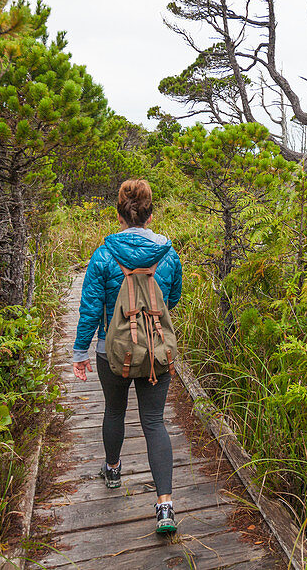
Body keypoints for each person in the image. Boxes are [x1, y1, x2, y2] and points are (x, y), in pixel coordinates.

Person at [71, 179, 183, 534]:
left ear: (119, 213)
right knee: (154, 422)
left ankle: (113, 469)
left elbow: (90, 306)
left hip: (111, 350)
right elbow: (172, 298)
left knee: (114, 410)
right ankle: (165, 506)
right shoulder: (168, 254)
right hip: (155, 352)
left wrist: (80, 352)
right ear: (150, 214)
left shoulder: (104, 254)